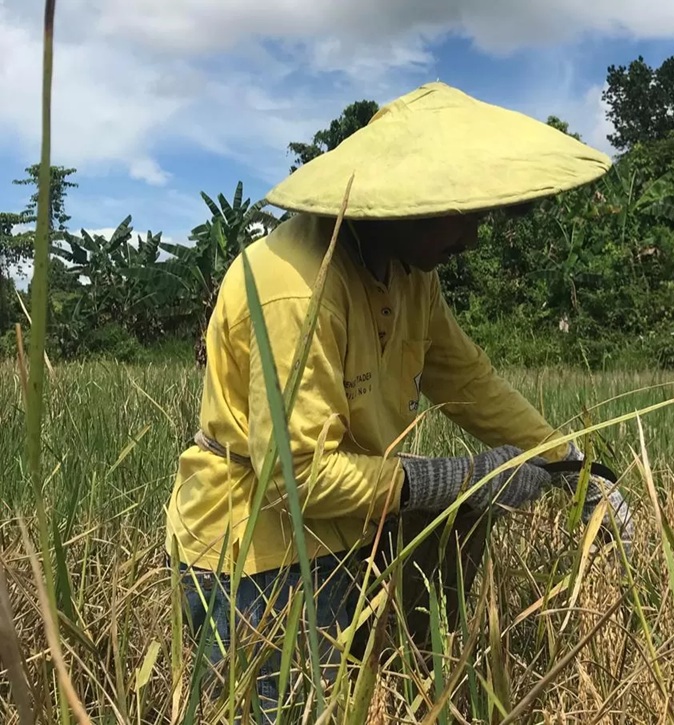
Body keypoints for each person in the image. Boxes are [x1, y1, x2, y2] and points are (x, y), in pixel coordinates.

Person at [165, 81, 634, 719]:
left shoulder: (412, 275)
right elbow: (294, 478)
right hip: (259, 558)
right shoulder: (295, 288)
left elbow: (467, 381)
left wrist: (573, 466)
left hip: (355, 532)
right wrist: (463, 479)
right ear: (405, 205)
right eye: (461, 212)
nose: (471, 235)